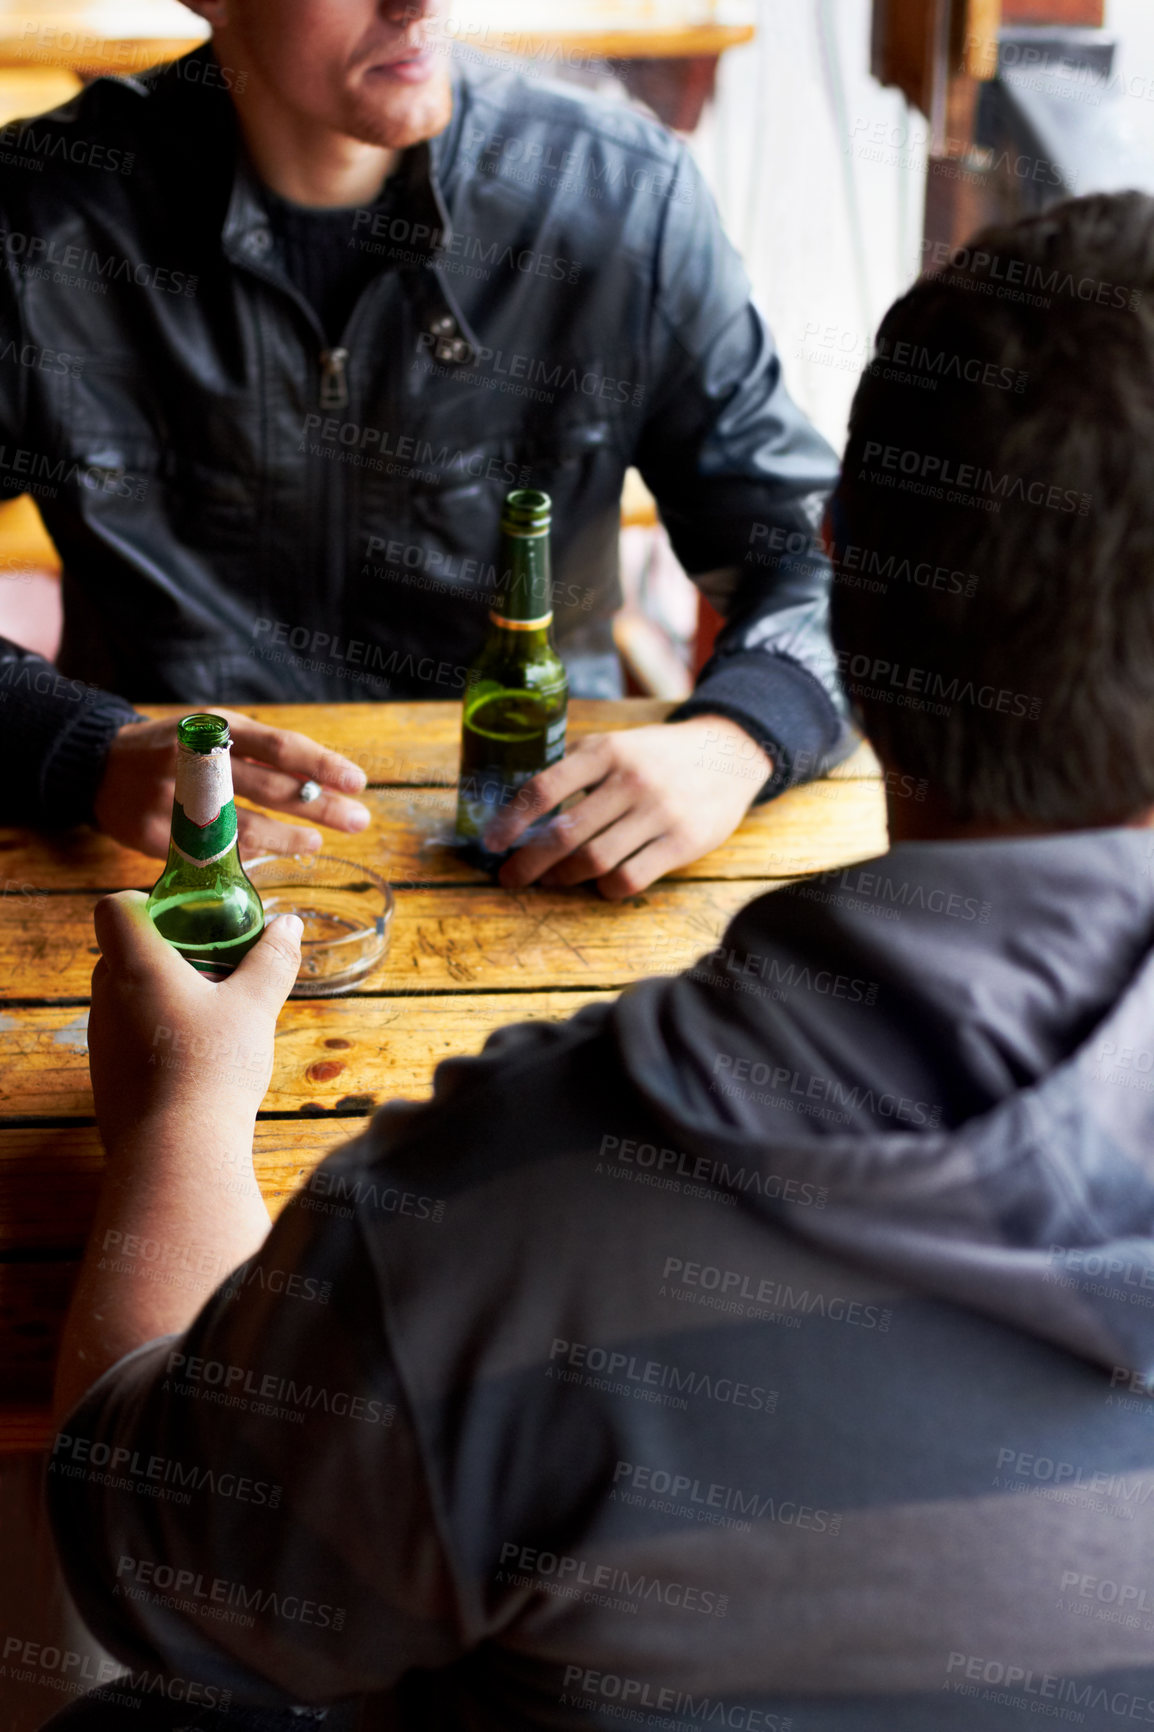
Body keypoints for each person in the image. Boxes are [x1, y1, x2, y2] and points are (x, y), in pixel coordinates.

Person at [48, 190, 1154, 1729]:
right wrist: (75, 738)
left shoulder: (479, 1225)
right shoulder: (57, 212)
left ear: (845, 563)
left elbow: (141, 1578)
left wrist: (175, 1118)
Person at [0, 0, 850, 900]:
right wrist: (80, 749)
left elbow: (824, 564)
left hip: (542, 860)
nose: (422, 5)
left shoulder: (621, 199)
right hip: (162, 874)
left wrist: (737, 739)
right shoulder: (36, 226)